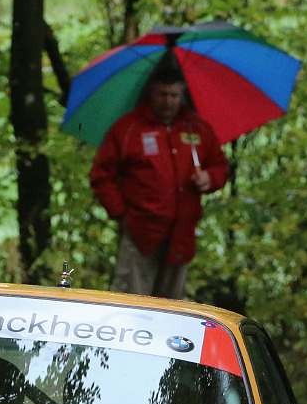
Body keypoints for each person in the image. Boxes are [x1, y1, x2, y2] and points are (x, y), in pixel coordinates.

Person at [89, 68, 229, 299]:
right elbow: (101, 175)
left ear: (182, 94)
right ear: (151, 93)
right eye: (162, 94)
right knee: (132, 304)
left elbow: (220, 166)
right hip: (140, 233)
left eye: (174, 95)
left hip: (181, 236)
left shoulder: (196, 128)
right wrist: (121, 214)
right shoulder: (128, 128)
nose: (168, 102)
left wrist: (210, 178)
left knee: (173, 309)